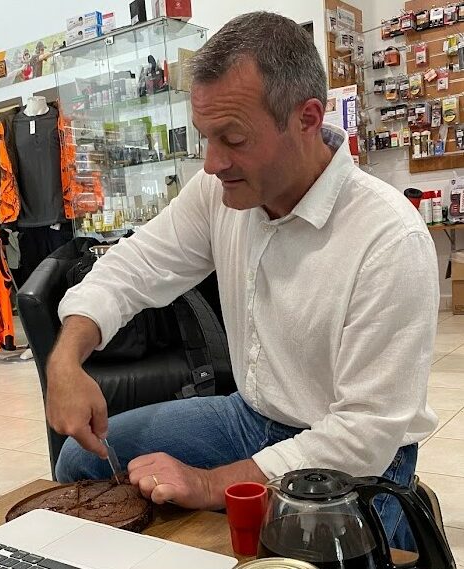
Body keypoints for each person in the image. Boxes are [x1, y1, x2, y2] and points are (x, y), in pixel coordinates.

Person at [47, 12, 439, 551]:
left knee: (286, 555)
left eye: (232, 139)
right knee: (80, 459)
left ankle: (399, 519)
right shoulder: (221, 195)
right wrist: (66, 359)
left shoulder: (389, 240)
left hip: (361, 458)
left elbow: (362, 436)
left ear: (306, 118)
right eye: (206, 137)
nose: (211, 164)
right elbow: (132, 265)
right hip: (250, 417)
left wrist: (209, 485)